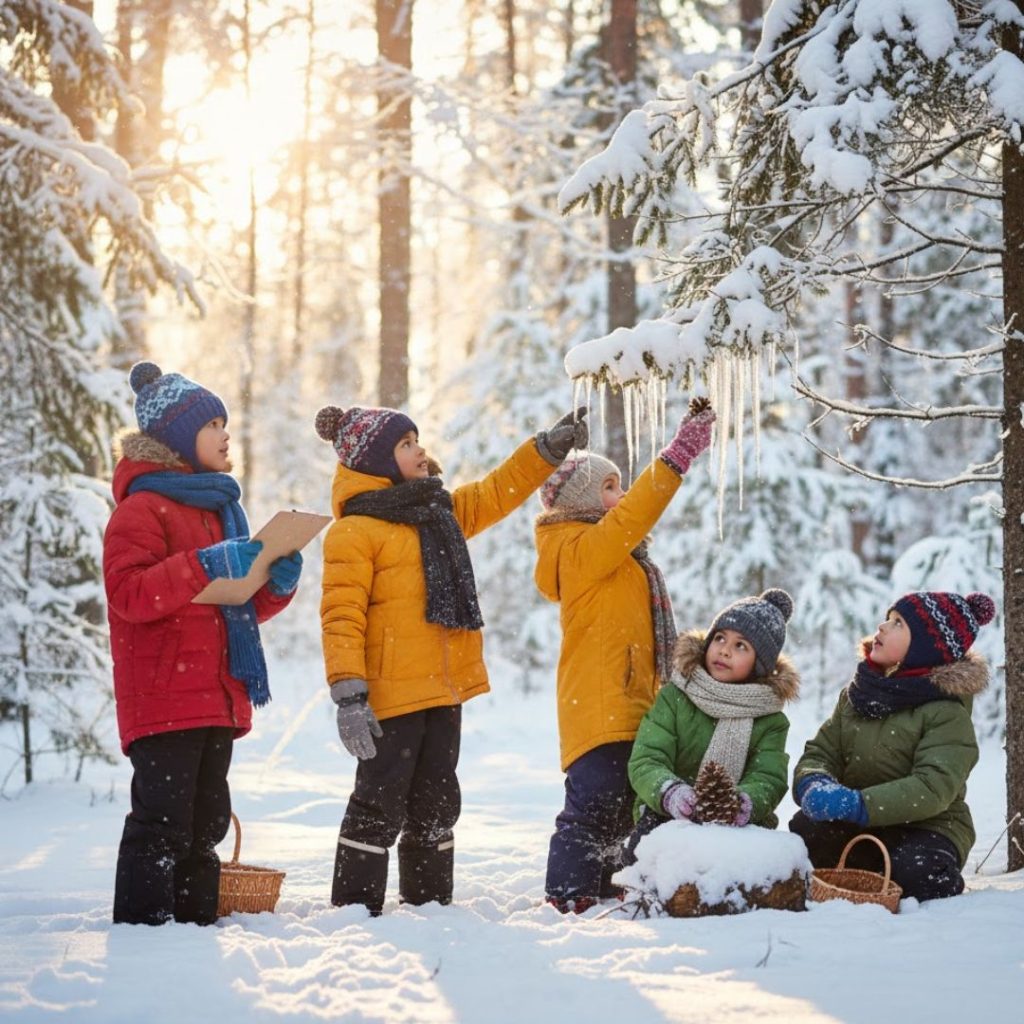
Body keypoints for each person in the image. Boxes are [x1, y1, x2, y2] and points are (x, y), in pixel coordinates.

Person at [316, 403, 587, 914]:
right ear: (376, 460)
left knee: (438, 802)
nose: (420, 450)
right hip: (391, 695)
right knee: (379, 800)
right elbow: (340, 616)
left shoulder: (435, 513)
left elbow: (494, 493)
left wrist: (545, 452)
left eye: (417, 439)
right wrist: (348, 692)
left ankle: (430, 903)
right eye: (405, 444)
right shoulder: (354, 532)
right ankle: (353, 909)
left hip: (444, 688)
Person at [104, 362, 303, 925]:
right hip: (166, 696)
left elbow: (228, 603)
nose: (225, 434)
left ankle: (194, 927)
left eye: (225, 423)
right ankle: (144, 933)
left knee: (207, 822)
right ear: (175, 437)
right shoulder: (141, 509)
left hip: (215, 691)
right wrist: (201, 563)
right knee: (163, 822)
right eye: (212, 423)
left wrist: (275, 585)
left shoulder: (218, 510)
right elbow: (129, 592)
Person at [533, 399, 716, 913]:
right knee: (591, 809)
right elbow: (635, 515)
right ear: (580, 500)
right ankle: (568, 894)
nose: (621, 495)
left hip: (629, 701)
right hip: (599, 705)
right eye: (610, 487)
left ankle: (604, 888)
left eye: (619, 485)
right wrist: (676, 458)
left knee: (620, 809)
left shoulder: (613, 552)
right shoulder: (579, 548)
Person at [790, 590, 995, 902]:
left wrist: (860, 805)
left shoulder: (946, 712)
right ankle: (867, 869)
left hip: (927, 826)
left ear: (926, 648)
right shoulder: (857, 694)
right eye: (887, 618)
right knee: (807, 833)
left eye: (898, 623)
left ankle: (894, 874)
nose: (883, 627)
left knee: (916, 870)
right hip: (858, 818)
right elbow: (822, 751)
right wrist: (813, 781)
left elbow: (933, 787)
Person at [624, 589, 799, 866]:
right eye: (720, 638)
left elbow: (769, 777)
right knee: (646, 854)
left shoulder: (769, 720)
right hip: (668, 813)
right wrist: (670, 792)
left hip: (734, 824)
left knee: (749, 866)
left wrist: (743, 802)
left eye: (741, 645)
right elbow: (647, 758)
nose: (725, 650)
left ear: (760, 665)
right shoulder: (676, 696)